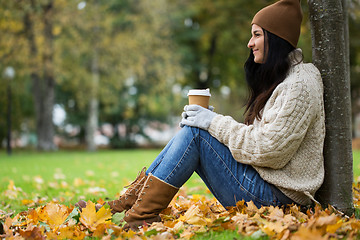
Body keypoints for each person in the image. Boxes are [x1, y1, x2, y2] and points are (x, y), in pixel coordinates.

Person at [77, 0, 325, 231]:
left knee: (196, 132)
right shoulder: (288, 80)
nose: (250, 43)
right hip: (267, 189)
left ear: (277, 38)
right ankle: (128, 206)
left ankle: (138, 216)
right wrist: (211, 124)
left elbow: (270, 150)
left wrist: (213, 123)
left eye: (257, 35)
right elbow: (265, 139)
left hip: (278, 201)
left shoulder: (299, 84)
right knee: (195, 130)